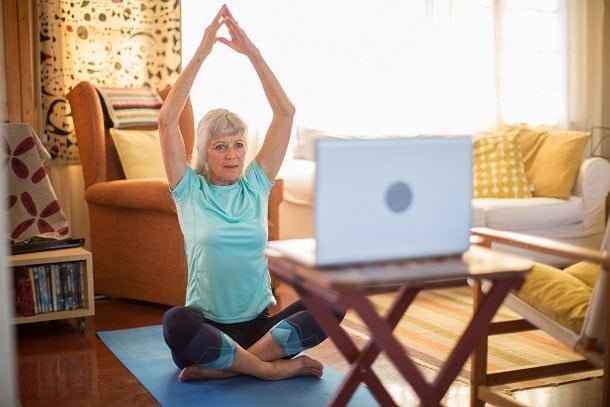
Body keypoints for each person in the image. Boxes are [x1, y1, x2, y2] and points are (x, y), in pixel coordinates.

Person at [158, 5, 343, 382]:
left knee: (335, 300)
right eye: (220, 146)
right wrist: (203, 52)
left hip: (260, 328)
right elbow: (166, 121)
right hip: (208, 332)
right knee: (176, 322)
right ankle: (271, 370)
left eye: (238, 144)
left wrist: (252, 52)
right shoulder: (189, 189)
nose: (232, 155)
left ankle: (230, 370)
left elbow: (285, 113)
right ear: (203, 153)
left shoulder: (256, 184)